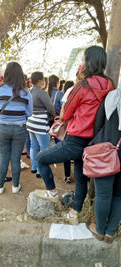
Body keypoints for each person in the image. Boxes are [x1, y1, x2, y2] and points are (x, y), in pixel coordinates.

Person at [35, 46, 114, 225]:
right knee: (80, 179)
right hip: (94, 142)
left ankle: (52, 192)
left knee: (41, 158)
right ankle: (74, 213)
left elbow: (65, 115)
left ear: (88, 62)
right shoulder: (110, 85)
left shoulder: (82, 85)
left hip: (75, 140)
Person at [86, 81, 121, 243]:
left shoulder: (111, 97)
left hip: (106, 153)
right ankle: (110, 232)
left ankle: (99, 230)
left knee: (103, 194)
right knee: (119, 195)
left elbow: (97, 125)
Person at [0, 62, 33, 194]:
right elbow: (29, 113)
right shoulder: (26, 92)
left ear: (6, 74)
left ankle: (0, 187)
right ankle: (15, 186)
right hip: (20, 128)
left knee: (3, 157)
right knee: (15, 158)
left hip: (3, 128)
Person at [26, 72, 55, 178]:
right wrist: (56, 116)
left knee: (33, 146)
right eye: (43, 79)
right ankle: (40, 170)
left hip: (31, 123)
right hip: (40, 125)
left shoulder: (29, 91)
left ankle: (34, 168)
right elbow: (50, 108)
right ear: (39, 81)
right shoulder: (42, 93)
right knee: (44, 148)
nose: (44, 81)